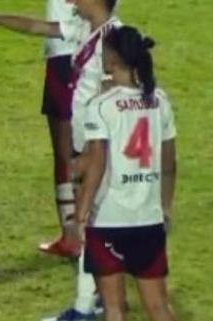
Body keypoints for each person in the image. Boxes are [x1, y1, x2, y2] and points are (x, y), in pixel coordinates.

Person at [0, 0, 162, 259]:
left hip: (66, 48)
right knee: (104, 141)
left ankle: (72, 234)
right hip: (109, 52)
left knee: (66, 148)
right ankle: (104, 225)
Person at [0, 0, 126, 321]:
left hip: (105, 147)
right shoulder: (87, 29)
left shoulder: (117, 37)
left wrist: (101, 112)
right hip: (91, 143)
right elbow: (39, 26)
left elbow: (133, 84)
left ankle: (91, 305)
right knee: (96, 224)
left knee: (96, 224)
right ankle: (93, 301)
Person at [76, 26, 178, 321]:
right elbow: (170, 163)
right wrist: (166, 207)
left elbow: (96, 163)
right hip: (149, 217)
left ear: (112, 60)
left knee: (114, 307)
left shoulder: (101, 106)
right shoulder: (160, 100)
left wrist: (81, 214)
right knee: (158, 306)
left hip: (109, 218)